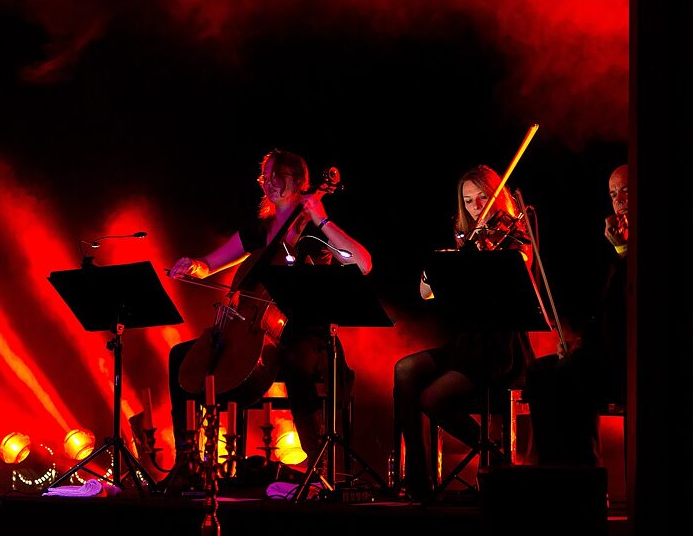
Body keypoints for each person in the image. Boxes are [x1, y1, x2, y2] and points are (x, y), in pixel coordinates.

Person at [165, 149, 372, 479]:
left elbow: (361, 263)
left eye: (280, 176)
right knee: (181, 356)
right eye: (266, 176)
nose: (271, 183)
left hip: (307, 330)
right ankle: (186, 459)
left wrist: (322, 217)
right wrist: (194, 265)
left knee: (295, 361)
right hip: (257, 329)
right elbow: (210, 264)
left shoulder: (313, 230)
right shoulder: (260, 228)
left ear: (300, 182)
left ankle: (318, 464)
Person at [393, 164, 535, 500]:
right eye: (469, 201)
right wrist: (434, 272)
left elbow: (522, 269)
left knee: (432, 398)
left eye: (482, 197)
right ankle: (418, 476)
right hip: (466, 345)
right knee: (404, 369)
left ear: (497, 196)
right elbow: (425, 295)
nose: (476, 207)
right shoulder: (466, 243)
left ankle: (497, 460)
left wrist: (488, 252)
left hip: (500, 348)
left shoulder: (516, 237)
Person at [523, 164, 628, 466]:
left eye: (626, 191)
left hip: (633, 360)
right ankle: (554, 471)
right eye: (612, 194)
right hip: (607, 353)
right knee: (540, 372)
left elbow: (631, 302)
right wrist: (579, 341)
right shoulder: (614, 242)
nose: (618, 200)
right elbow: (601, 312)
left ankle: (585, 475)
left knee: (572, 373)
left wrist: (623, 249)